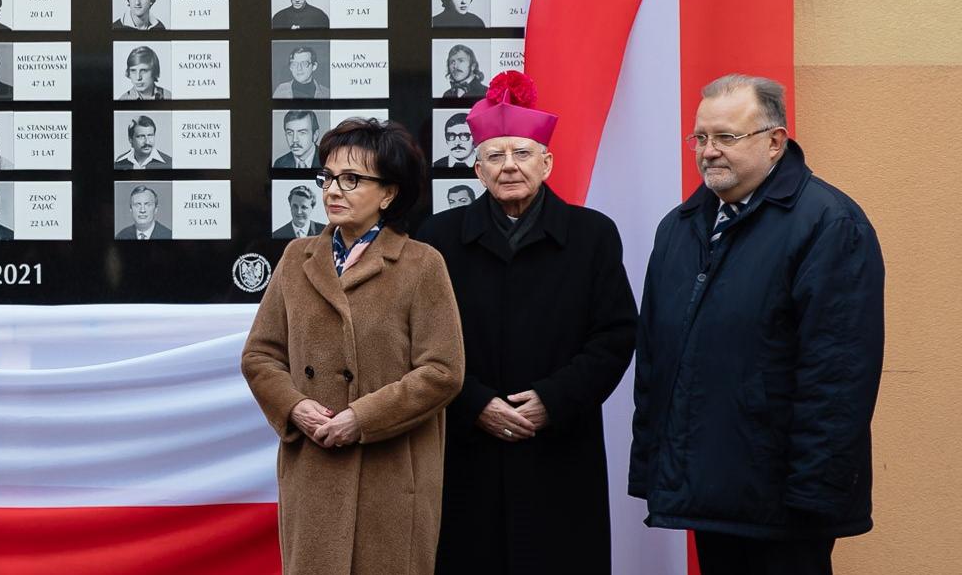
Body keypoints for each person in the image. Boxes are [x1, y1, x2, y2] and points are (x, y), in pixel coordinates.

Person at [630, 75, 883, 575]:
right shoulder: (680, 226)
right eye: (700, 138)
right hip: (707, 492)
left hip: (785, 506)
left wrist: (814, 491)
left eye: (727, 137)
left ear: (774, 142)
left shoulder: (828, 224)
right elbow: (655, 359)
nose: (708, 152)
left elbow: (837, 378)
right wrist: (656, 467)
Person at [415, 72, 638, 575]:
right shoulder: (439, 238)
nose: (509, 166)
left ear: (547, 161)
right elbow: (419, 341)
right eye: (495, 156)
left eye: (522, 153)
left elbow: (616, 335)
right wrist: (476, 404)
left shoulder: (591, 235)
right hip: (467, 446)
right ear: (477, 168)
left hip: (560, 445)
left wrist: (552, 400)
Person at [241, 117, 463, 575]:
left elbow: (443, 370)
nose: (333, 191)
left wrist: (360, 418)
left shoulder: (422, 265)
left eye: (351, 179)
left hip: (391, 475)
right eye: (327, 177)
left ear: (389, 193)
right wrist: (294, 407)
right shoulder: (296, 258)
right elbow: (260, 355)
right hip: (314, 466)